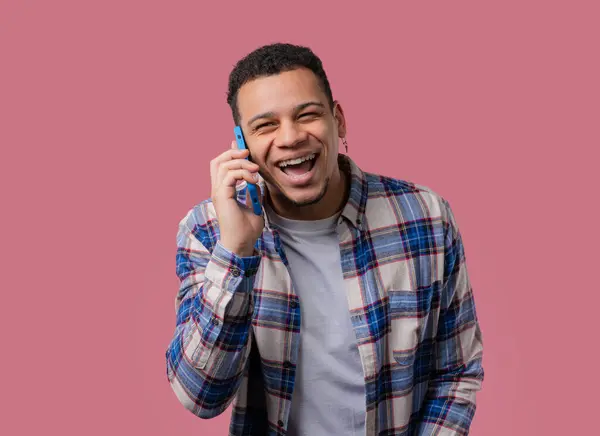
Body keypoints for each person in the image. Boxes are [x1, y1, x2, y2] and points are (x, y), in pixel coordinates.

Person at [165, 42, 484, 436]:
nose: (291, 137)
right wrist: (237, 251)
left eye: (308, 115)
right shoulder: (208, 232)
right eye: (266, 125)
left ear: (339, 120)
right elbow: (200, 395)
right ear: (241, 144)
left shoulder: (426, 218)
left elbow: (456, 372)